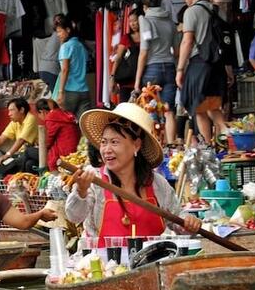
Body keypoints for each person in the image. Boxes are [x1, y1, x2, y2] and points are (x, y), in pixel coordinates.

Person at [65, 102, 201, 245]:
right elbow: (74, 216)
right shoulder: (94, 179)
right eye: (104, 142)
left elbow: (178, 218)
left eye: (114, 142)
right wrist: (81, 191)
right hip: (102, 264)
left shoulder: (156, 183)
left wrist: (189, 222)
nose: (106, 149)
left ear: (136, 145)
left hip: (150, 263)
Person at [176, 0, 227, 144]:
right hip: (217, 64)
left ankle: (206, 147)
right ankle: (228, 135)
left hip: (200, 63)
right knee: (211, 106)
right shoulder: (216, 9)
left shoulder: (191, 11)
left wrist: (180, 69)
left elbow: (187, 41)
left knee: (198, 107)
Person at [134, 0, 178, 145]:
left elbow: (144, 51)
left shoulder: (145, 20)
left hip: (152, 69)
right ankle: (171, 145)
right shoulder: (171, 22)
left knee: (151, 109)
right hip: (170, 67)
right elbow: (177, 50)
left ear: (145, 7)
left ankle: (155, 146)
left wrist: (137, 81)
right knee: (169, 110)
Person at [0, 98, 38, 177]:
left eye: (11, 110)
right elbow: (1, 139)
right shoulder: (15, 122)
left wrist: (7, 155)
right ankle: (2, 163)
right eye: (8, 111)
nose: (9, 114)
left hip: (28, 154)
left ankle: (3, 165)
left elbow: (21, 140)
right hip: (17, 154)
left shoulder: (30, 118)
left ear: (21, 110)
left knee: (16, 159)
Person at [52, 15, 91, 118]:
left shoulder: (66, 46)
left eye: (60, 31)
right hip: (84, 91)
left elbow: (65, 69)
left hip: (70, 92)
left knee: (66, 124)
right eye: (57, 32)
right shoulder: (80, 45)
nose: (58, 35)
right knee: (84, 125)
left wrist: (60, 92)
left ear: (68, 30)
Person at [35, 98, 81, 171]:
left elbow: (48, 141)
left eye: (38, 114)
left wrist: (39, 144)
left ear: (42, 112)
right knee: (29, 160)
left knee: (29, 153)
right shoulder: (64, 113)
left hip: (65, 152)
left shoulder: (51, 117)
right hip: (74, 148)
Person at [111, 8, 142, 103]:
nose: (132, 24)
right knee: (124, 111)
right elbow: (118, 58)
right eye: (130, 21)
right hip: (127, 81)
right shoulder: (126, 38)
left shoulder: (146, 36)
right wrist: (112, 77)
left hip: (142, 81)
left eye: (135, 20)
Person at [36, 14, 62, 94]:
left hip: (43, 68)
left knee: (53, 95)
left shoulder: (54, 34)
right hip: (51, 70)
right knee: (56, 96)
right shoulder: (61, 34)